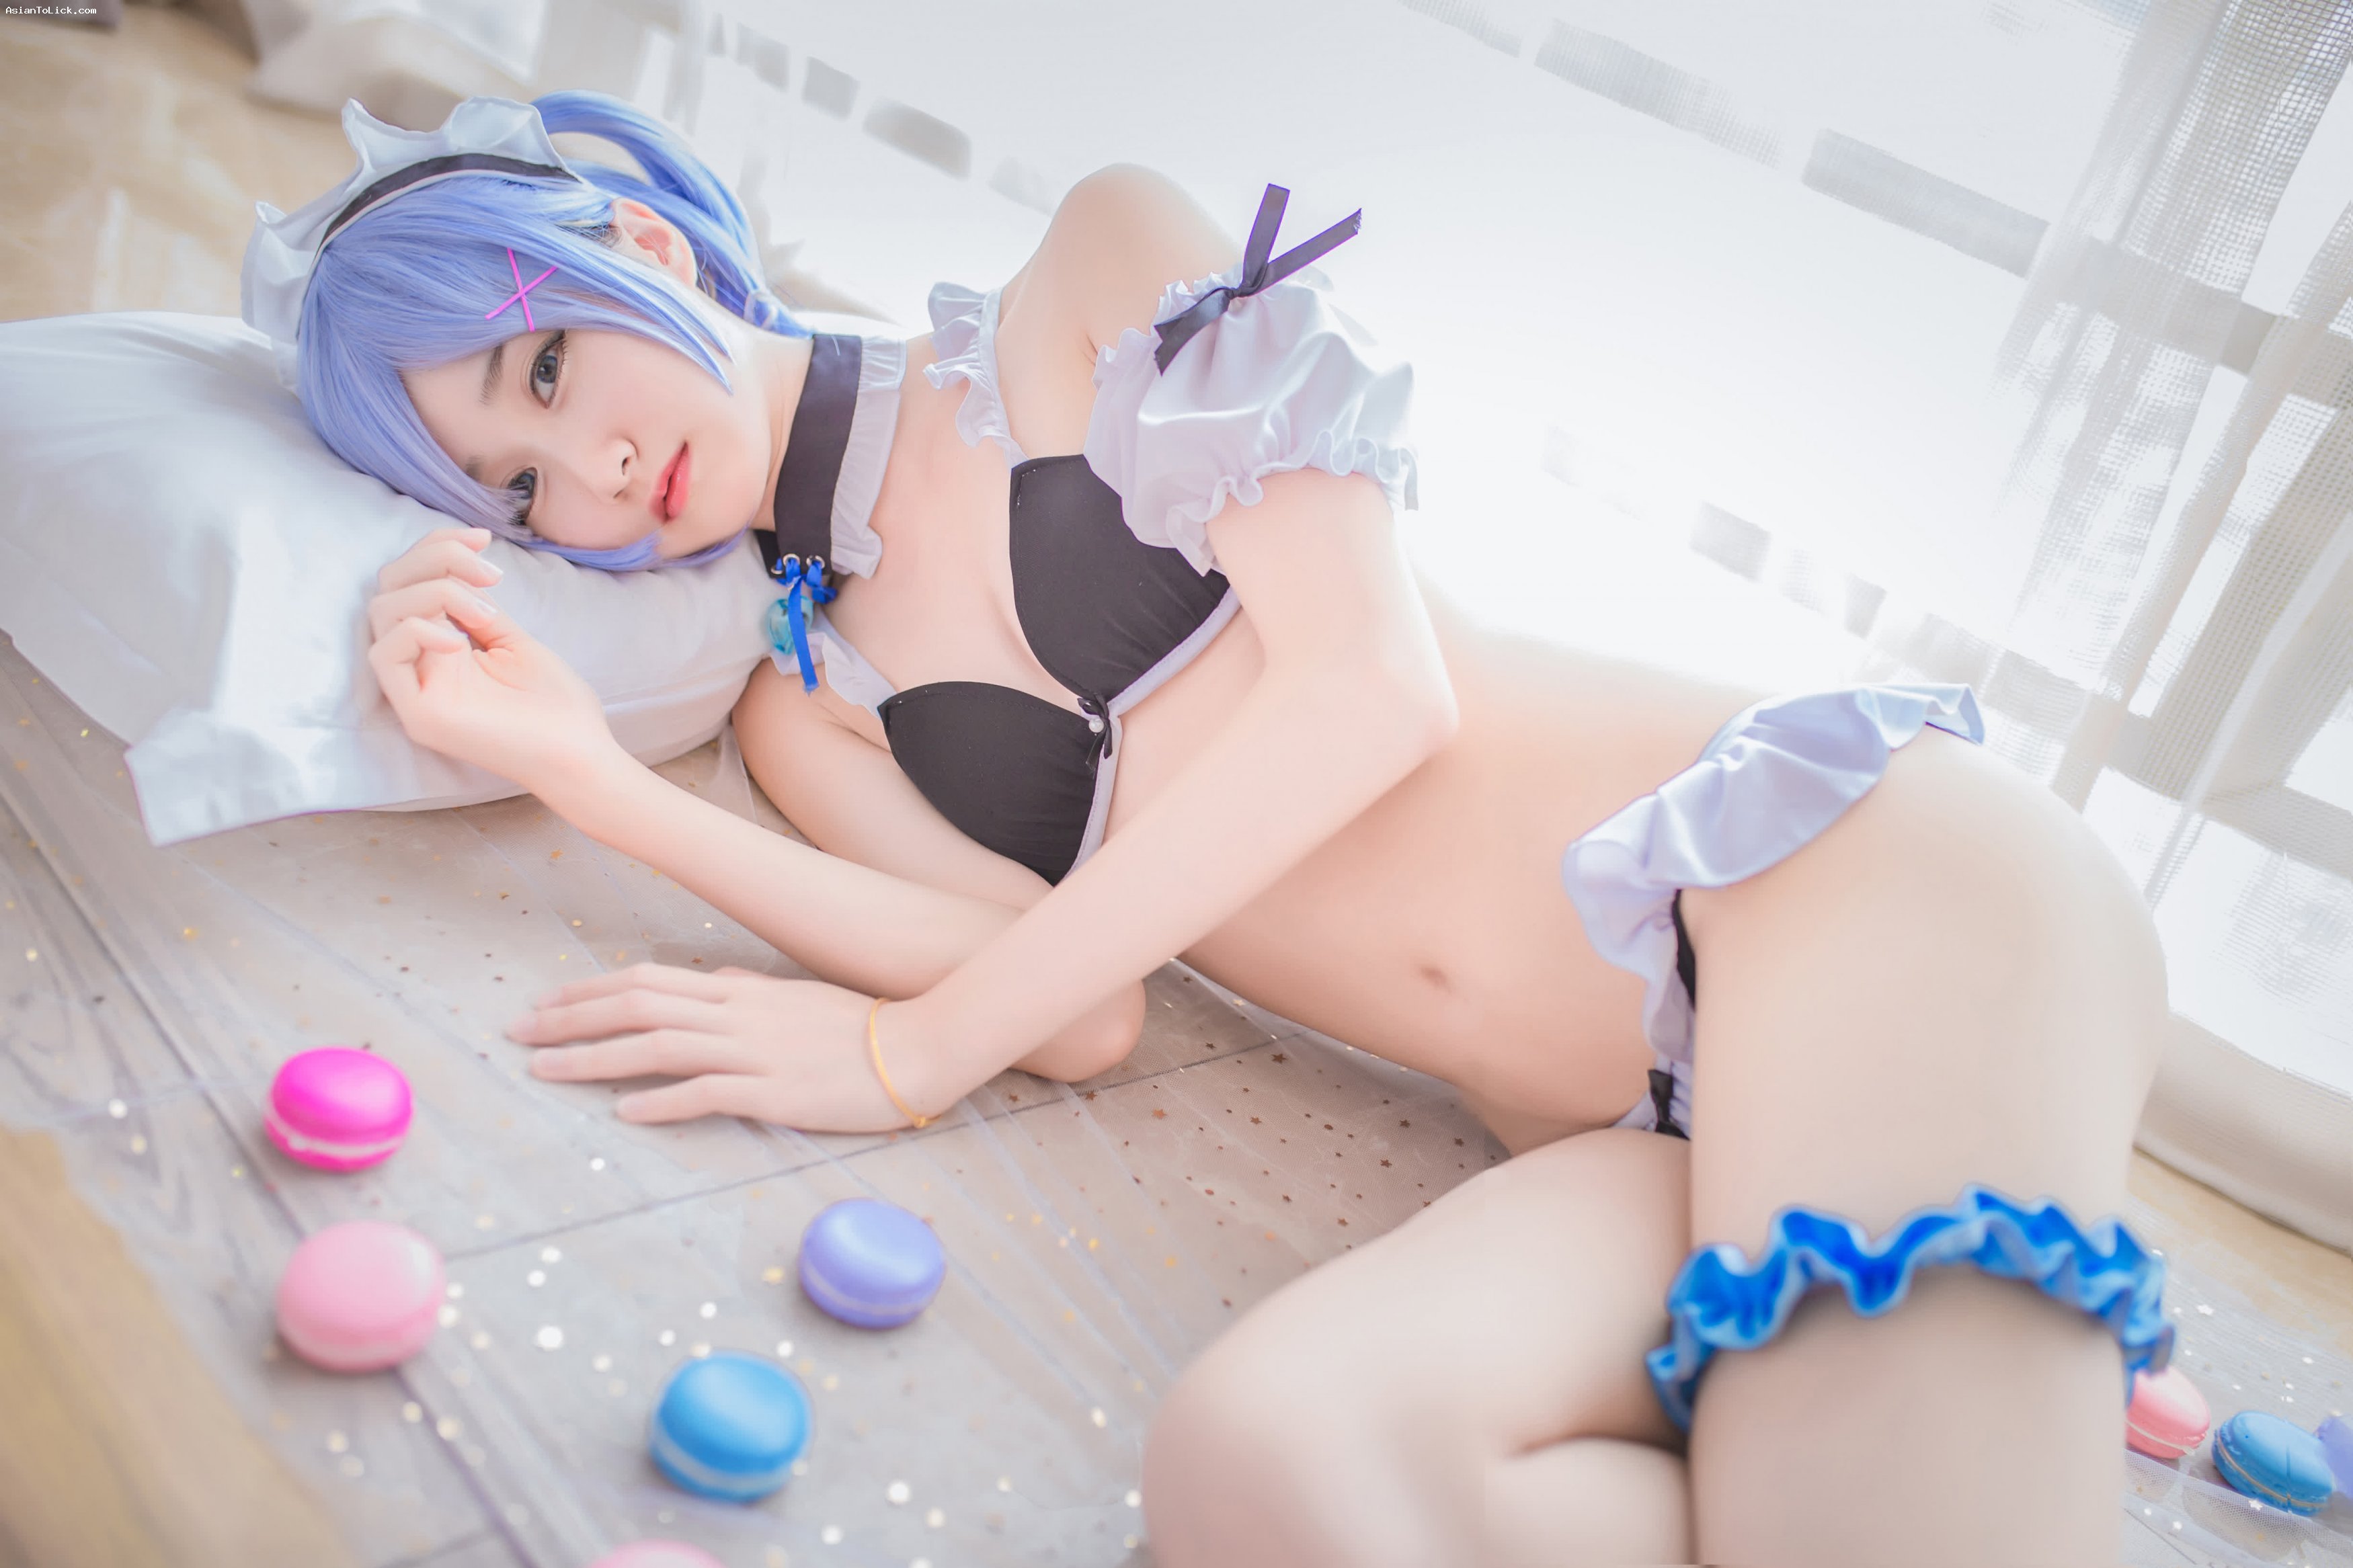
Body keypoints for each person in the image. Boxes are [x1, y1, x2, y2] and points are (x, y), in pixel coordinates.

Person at [257, 89, 2173, 1565]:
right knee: (1273, 1464)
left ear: (635, 245)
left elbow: (1373, 689)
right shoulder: (802, 697)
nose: (591, 471)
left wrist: (903, 1058)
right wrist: (591, 777)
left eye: (544, 370)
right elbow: (1078, 1005)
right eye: (519, 492)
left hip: (1830, 884)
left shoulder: (1093, 277)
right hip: (1626, 1129)